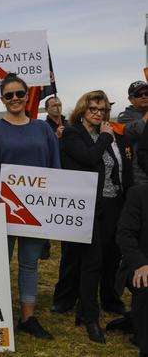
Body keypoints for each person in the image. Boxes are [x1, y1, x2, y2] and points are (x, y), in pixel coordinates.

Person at [0, 73, 60, 339]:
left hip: (36, 212)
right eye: (9, 95)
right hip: (2, 210)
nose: (15, 99)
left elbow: (54, 169)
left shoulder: (42, 129)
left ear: (28, 96)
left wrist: (52, 207)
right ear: (2, 99)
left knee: (29, 264)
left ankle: (28, 317)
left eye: (19, 94)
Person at [58, 90, 133, 343]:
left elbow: (113, 167)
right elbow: (90, 159)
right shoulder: (72, 133)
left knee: (109, 258)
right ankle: (91, 317)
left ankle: (84, 310)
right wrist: (103, 137)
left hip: (112, 204)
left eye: (102, 110)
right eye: (93, 109)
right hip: (86, 206)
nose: (98, 114)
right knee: (92, 261)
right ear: (82, 110)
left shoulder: (107, 134)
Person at [116, 184, 148, 357]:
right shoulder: (138, 194)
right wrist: (141, 264)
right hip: (141, 265)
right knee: (146, 286)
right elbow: (125, 234)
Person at [117, 81, 148, 185]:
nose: (144, 96)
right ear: (131, 99)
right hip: (140, 175)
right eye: (139, 94)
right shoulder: (124, 117)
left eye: (147, 93)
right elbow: (138, 130)